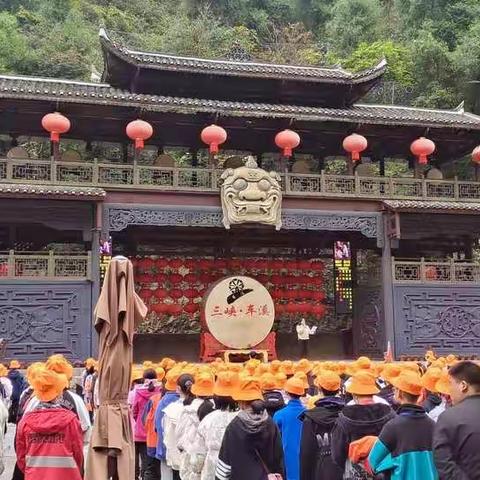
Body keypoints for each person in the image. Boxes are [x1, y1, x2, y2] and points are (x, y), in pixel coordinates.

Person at [15, 366, 84, 480]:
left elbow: (21, 457)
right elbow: (78, 454)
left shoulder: (25, 422)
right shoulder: (71, 421)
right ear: (58, 394)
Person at [368, 371, 438, 480]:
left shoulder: (392, 427)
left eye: (394, 389)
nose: (393, 391)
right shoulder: (433, 425)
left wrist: (392, 460)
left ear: (400, 393)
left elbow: (372, 462)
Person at [216, 376, 284, 480]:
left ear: (241, 401)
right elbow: (279, 457)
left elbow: (225, 463)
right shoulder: (270, 423)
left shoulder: (234, 426)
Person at [331, 371, 395, 477]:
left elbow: (337, 455)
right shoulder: (390, 414)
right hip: (384, 472)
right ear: (373, 392)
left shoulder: (344, 418)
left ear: (353, 393)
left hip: (355, 473)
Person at [23, 354, 92, 446]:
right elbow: (86, 431)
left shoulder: (35, 400)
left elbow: (23, 428)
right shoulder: (76, 400)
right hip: (67, 456)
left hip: (38, 456)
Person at [433, 361, 480, 479]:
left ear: (463, 385)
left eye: (451, 384)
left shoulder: (448, 417)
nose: (449, 390)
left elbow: (443, 463)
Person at [191, 371, 239, 480]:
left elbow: (198, 455)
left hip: (212, 470)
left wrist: (196, 470)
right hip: (240, 469)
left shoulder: (208, 419)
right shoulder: (246, 418)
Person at [300, 371, 345, 480]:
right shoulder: (348, 414)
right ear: (339, 389)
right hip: (344, 469)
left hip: (319, 470)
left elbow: (306, 453)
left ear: (319, 389)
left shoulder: (310, 418)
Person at [177, 371, 215, 480]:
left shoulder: (187, 410)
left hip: (191, 457)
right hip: (211, 460)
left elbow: (179, 434)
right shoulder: (218, 409)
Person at [274, 377, 306, 480]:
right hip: (307, 456)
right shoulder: (309, 413)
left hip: (287, 458)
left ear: (286, 393)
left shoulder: (280, 414)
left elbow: (274, 439)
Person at [133, 368, 162, 480]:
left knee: (137, 459)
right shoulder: (160, 391)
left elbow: (135, 411)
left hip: (139, 431)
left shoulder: (138, 391)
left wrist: (140, 422)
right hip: (153, 433)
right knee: (149, 463)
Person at [158, 371, 186, 480]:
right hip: (196, 459)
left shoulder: (166, 405)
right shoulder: (205, 407)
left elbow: (161, 429)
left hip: (174, 454)